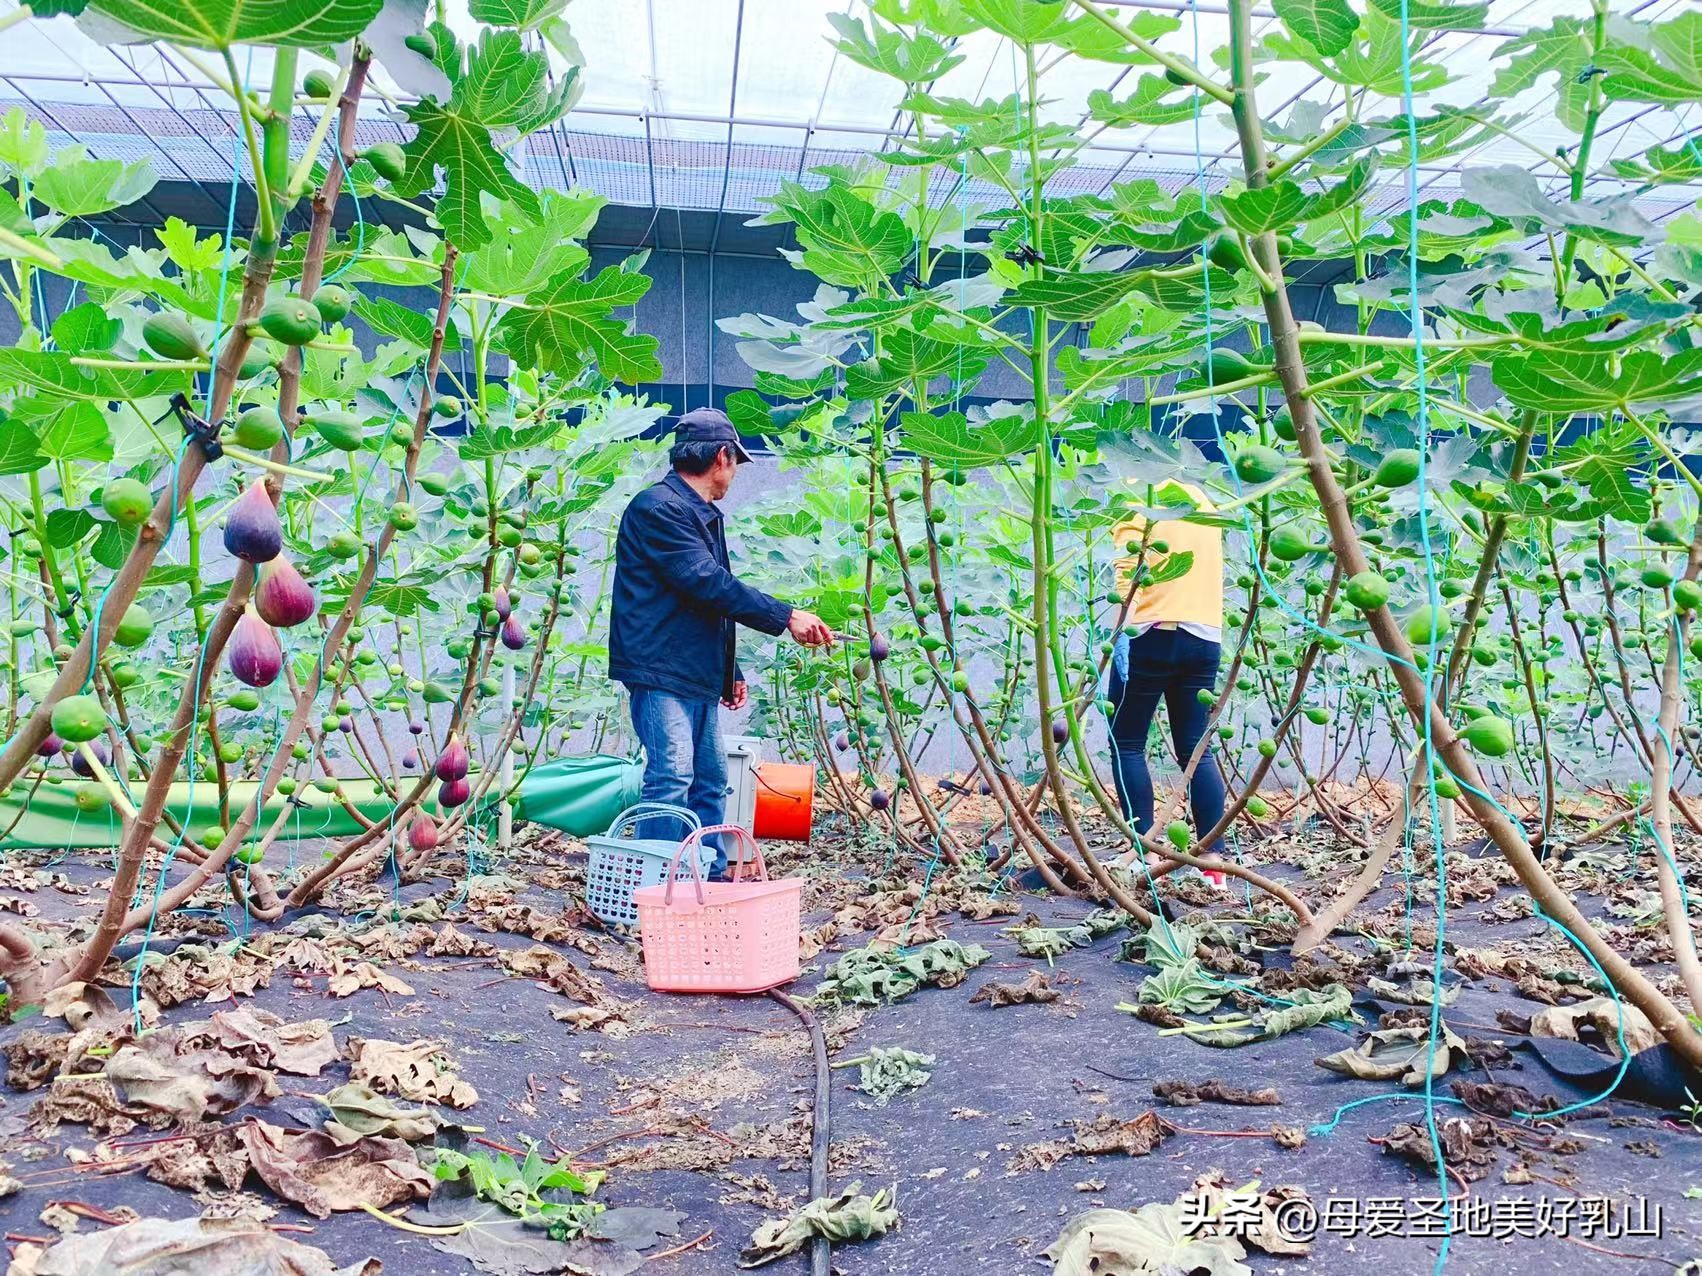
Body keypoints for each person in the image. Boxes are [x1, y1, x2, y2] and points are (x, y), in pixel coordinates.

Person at [610, 407, 833, 878]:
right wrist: (787, 615)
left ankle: (705, 874)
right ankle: (659, 885)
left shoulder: (700, 514)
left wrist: (727, 669)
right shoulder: (658, 508)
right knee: (672, 778)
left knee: (709, 781)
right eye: (736, 463)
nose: (733, 474)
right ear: (722, 457)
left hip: (694, 670)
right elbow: (706, 582)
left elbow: (709, 596)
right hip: (660, 668)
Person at [1106, 479, 1228, 886]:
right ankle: (1214, 863)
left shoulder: (1137, 496)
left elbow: (1129, 569)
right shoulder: (1202, 498)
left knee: (1126, 740)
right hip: (1204, 636)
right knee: (1196, 750)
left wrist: (1121, 628)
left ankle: (1141, 852)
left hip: (1150, 632)